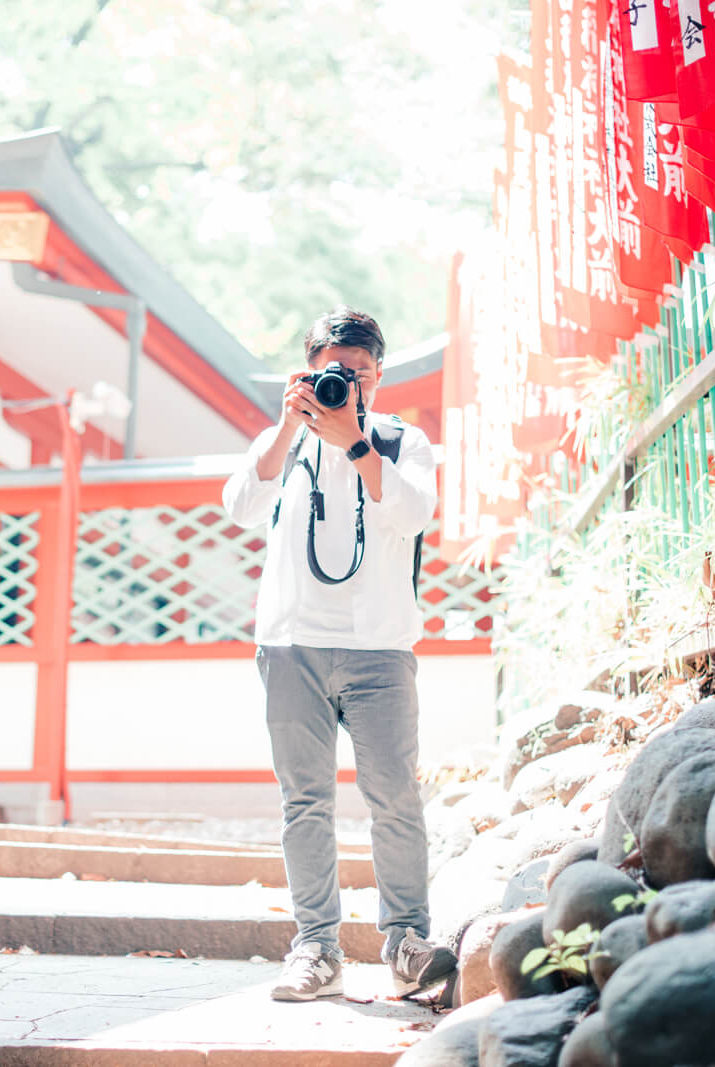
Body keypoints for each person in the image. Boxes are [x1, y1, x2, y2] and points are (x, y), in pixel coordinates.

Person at [221, 306, 455, 1002]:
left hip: (379, 645)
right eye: (331, 371)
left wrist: (355, 443)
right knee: (305, 802)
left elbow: (411, 514)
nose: (343, 383)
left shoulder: (400, 441)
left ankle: (407, 941)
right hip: (291, 642)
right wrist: (293, 423)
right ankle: (317, 946)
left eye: (356, 372)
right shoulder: (284, 440)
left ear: (377, 375)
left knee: (396, 797)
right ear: (309, 370)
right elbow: (238, 503)